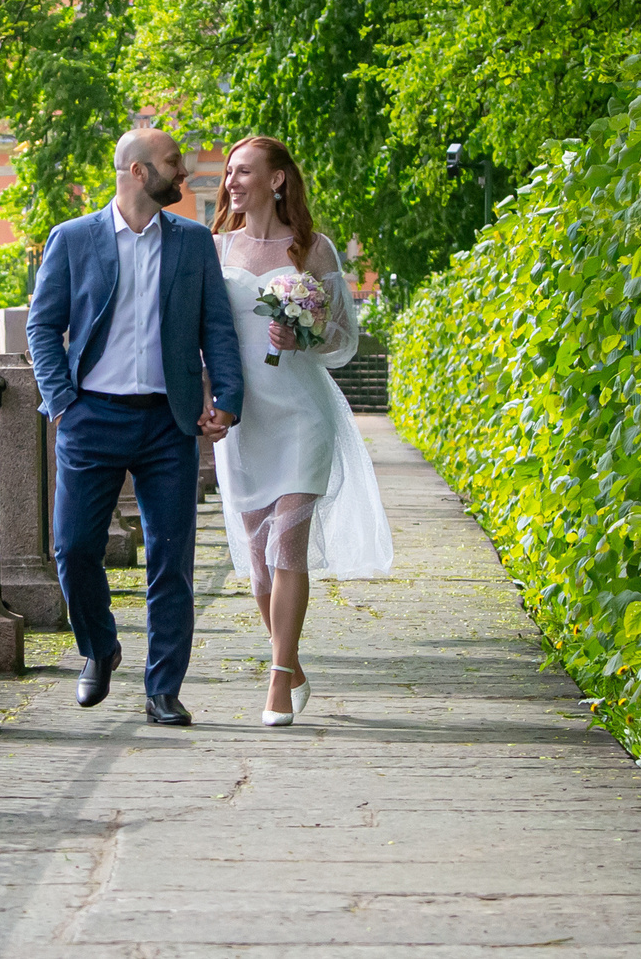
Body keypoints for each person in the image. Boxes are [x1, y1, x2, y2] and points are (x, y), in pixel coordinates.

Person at [27, 127, 242, 726]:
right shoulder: (73, 240)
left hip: (168, 423)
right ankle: (99, 648)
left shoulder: (195, 243)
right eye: (174, 163)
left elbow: (216, 328)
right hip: (90, 416)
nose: (187, 172)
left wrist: (227, 396)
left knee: (171, 560)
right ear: (140, 173)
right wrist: (62, 400)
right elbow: (43, 327)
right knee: (72, 549)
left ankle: (163, 689)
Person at [214, 134, 394, 727]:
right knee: (259, 562)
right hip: (245, 421)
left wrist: (305, 336)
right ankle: (290, 663)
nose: (232, 182)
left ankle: (275, 682)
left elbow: (344, 339)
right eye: (230, 173)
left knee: (285, 543)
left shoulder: (312, 251)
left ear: (277, 180)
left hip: (302, 414)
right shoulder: (214, 250)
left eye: (244, 172)